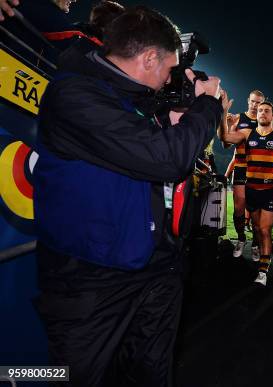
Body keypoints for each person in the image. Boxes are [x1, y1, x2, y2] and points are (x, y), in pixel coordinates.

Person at [32, 7, 227, 386]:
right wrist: (208, 106)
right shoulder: (75, 94)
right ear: (149, 57)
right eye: (169, 70)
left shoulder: (135, 100)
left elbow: (169, 161)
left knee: (150, 376)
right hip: (90, 283)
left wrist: (178, 117)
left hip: (154, 269)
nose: (170, 80)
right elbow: (165, 158)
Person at [221, 101, 273, 286]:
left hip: (269, 190)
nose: (262, 113)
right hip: (251, 189)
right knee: (256, 228)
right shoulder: (247, 133)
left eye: (267, 111)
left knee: (264, 230)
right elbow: (225, 138)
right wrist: (223, 114)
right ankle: (254, 248)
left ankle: (263, 272)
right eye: (260, 110)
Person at [225, 90, 266, 259]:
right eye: (253, 102)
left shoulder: (265, 120)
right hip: (241, 168)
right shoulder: (238, 118)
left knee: (257, 213)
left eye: (259, 102)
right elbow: (227, 144)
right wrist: (228, 126)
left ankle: (256, 244)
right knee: (238, 209)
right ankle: (241, 239)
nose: (255, 105)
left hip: (258, 171)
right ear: (248, 101)